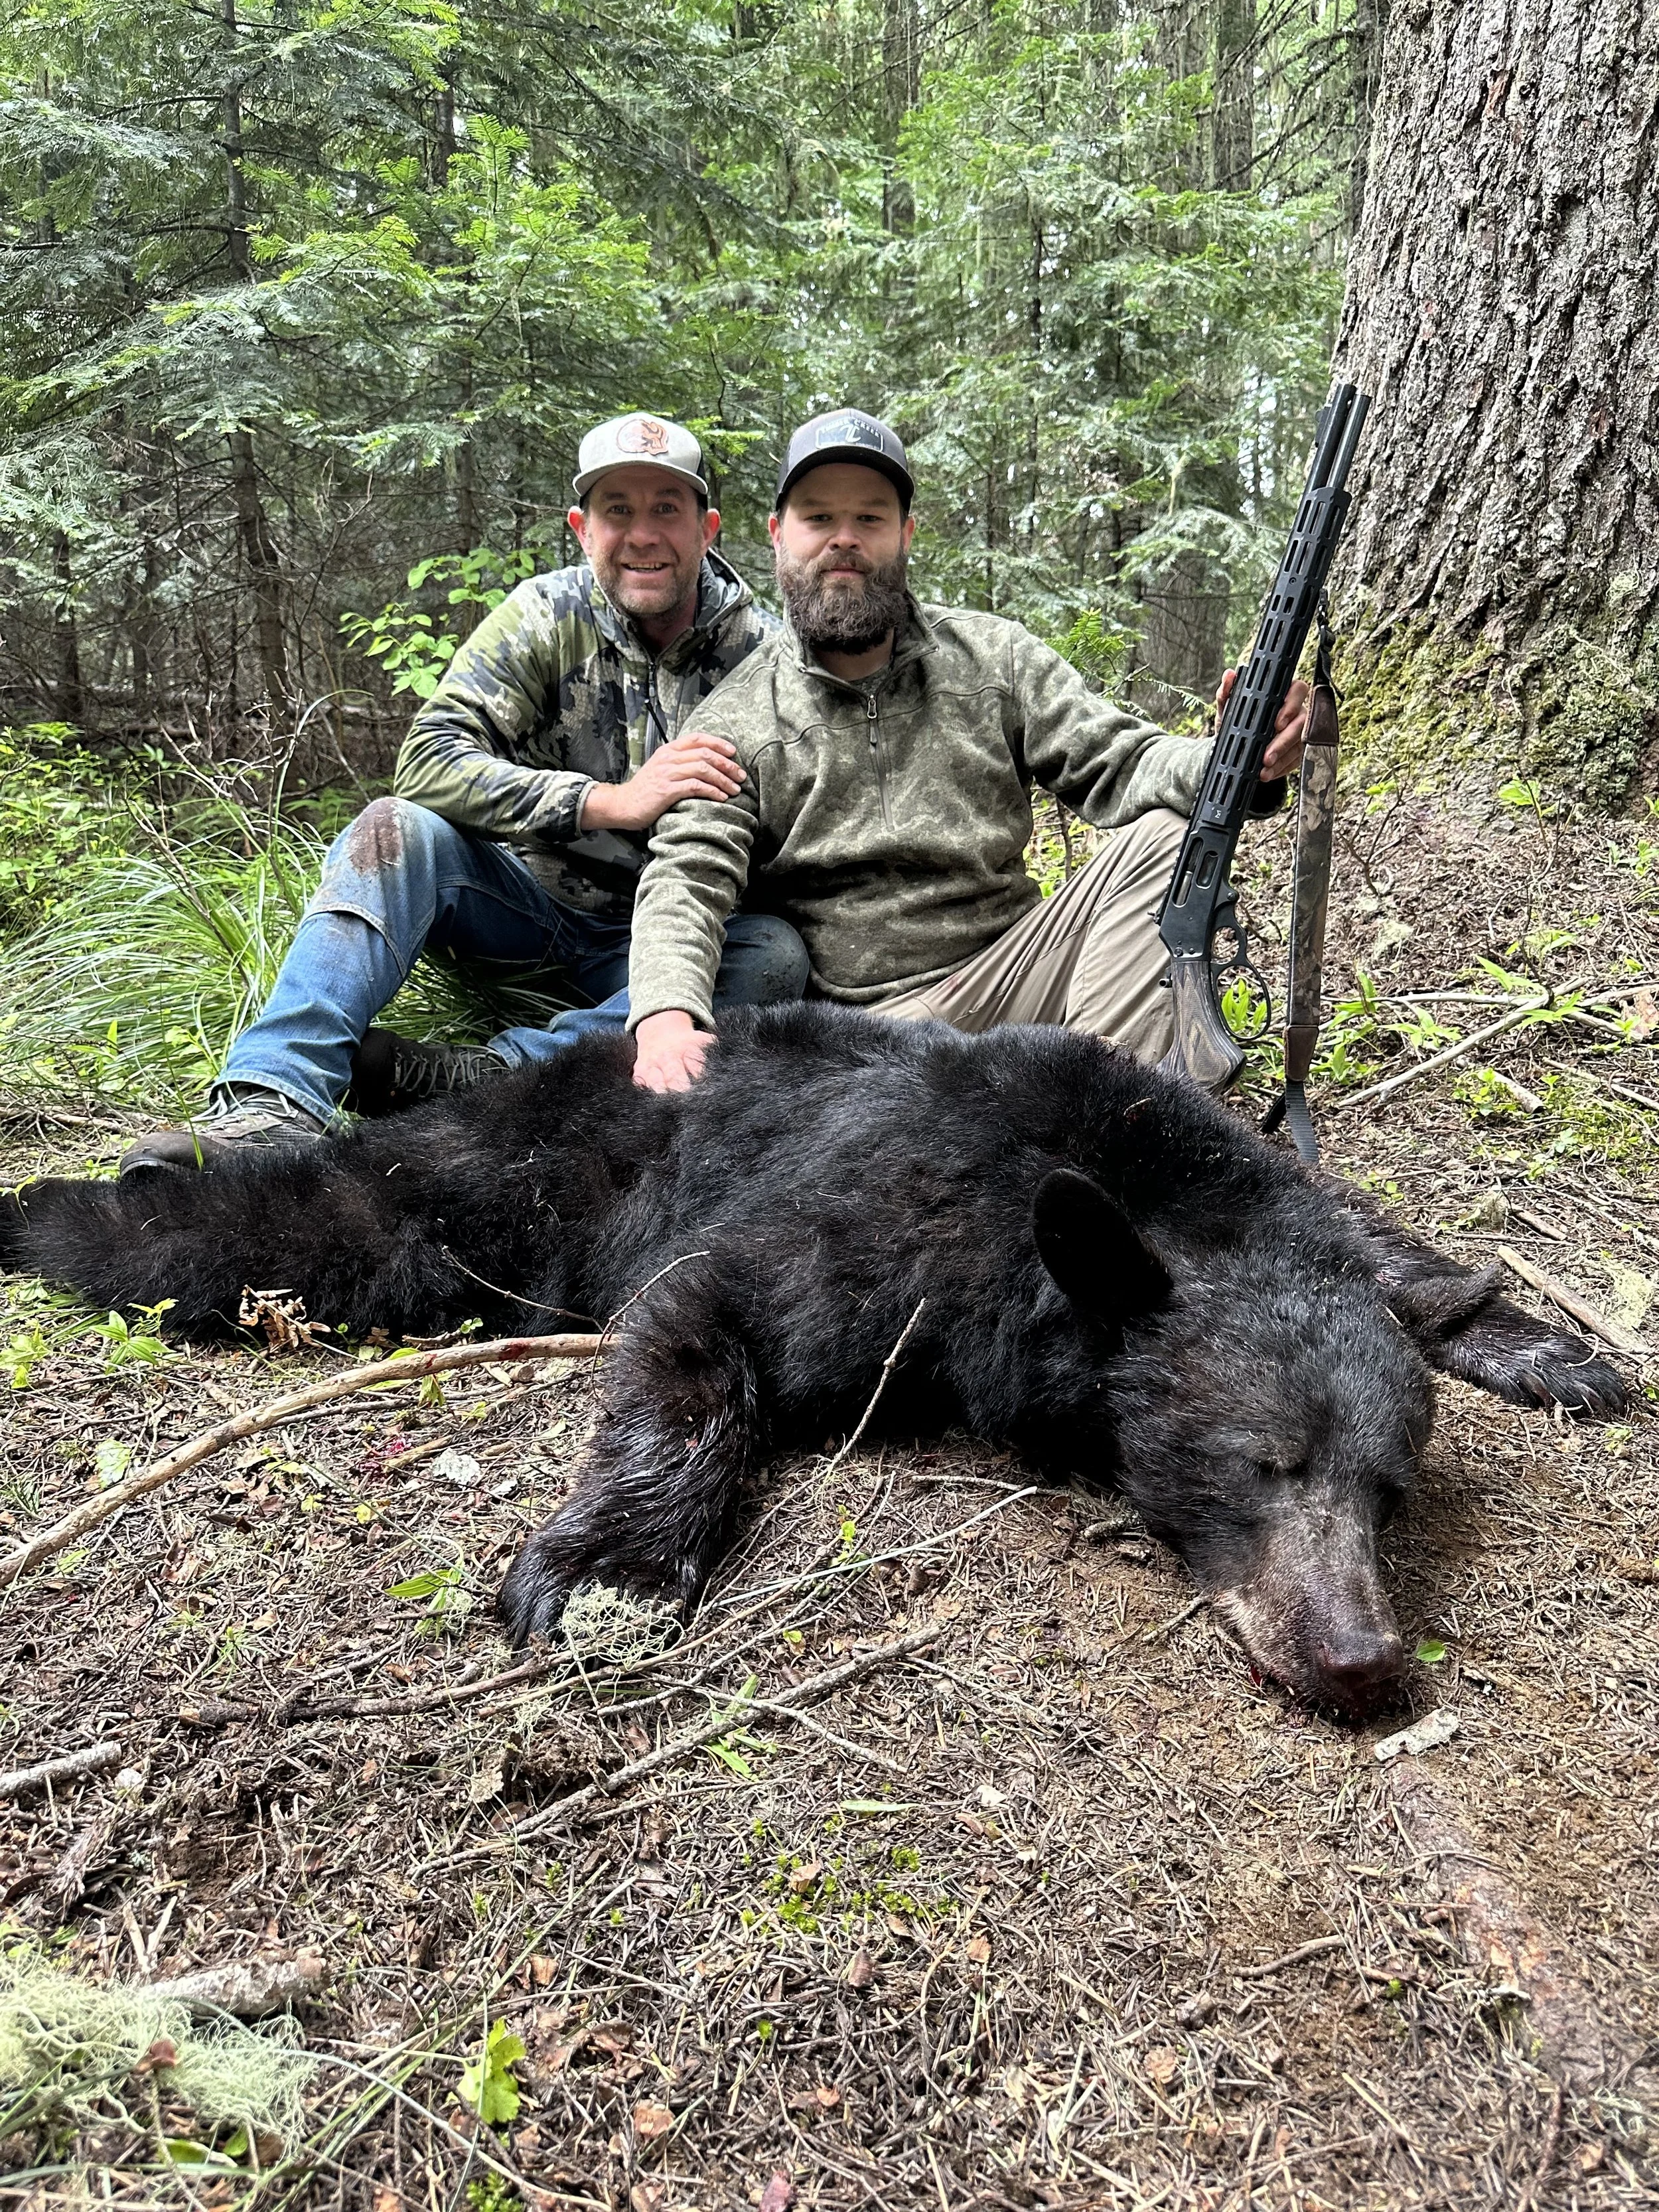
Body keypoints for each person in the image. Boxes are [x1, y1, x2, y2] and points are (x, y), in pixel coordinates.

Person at [121, 413, 808, 1173]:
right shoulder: (546, 615)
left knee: (773, 955)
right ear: (583, 528)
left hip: (670, 942)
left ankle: (488, 1077)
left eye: (666, 509)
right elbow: (428, 759)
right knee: (393, 828)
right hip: (529, 902)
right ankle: (271, 1102)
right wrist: (605, 802)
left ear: (707, 528)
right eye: (618, 510)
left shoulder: (767, 656)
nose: (642, 533)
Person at [624, 407, 1310, 1095]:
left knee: (1168, 838)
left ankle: (1107, 1122)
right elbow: (686, 879)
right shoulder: (735, 719)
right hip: (871, 1039)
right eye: (818, 518)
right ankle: (1075, 1125)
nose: (844, 540)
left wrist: (1233, 761)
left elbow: (1122, 761)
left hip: (1019, 977)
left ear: (905, 536)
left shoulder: (994, 659)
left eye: (869, 519)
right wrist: (663, 1018)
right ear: (777, 536)